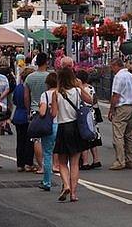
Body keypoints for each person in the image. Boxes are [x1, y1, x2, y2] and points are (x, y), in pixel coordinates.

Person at [51, 66, 93, 202]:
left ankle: (66, 185)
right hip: (75, 127)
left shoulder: (56, 93)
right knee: (74, 163)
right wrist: (80, 87)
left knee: (62, 162)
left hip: (63, 127)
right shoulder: (76, 91)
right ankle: (74, 194)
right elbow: (90, 100)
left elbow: (54, 114)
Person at [107, 58, 132, 170]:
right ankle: (130, 160)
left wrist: (111, 110)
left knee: (118, 135)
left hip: (122, 107)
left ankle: (120, 161)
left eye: (112, 67)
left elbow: (116, 95)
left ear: (116, 65)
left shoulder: (119, 77)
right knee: (129, 135)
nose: (111, 69)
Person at [23, 52, 50, 173]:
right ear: (46, 62)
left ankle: (40, 165)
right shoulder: (50, 76)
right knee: (50, 139)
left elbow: (26, 96)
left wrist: (28, 110)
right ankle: (51, 164)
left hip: (35, 110)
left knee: (37, 139)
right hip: (49, 110)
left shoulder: (30, 77)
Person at [77, 70, 102, 170]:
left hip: (83, 114)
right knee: (93, 136)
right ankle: (96, 160)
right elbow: (95, 101)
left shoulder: (78, 89)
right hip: (92, 114)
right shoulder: (91, 88)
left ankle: (85, 162)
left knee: (83, 137)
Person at [12, 67, 36, 172]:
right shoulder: (29, 89)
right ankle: (28, 163)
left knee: (20, 140)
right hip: (27, 114)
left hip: (18, 114)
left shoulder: (18, 87)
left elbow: (14, 101)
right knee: (29, 140)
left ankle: (20, 164)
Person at [38, 72, 58, 191]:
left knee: (47, 154)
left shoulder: (45, 95)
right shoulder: (63, 93)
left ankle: (47, 181)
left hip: (50, 125)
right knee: (64, 154)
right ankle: (68, 182)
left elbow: (42, 112)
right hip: (63, 124)